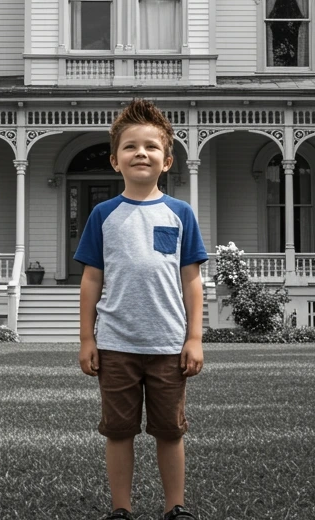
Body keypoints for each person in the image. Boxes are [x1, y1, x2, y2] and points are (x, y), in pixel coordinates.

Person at [75, 98, 208, 520]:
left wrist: (194, 338)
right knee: (119, 432)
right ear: (115, 160)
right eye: (131, 147)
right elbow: (91, 280)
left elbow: (191, 281)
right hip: (116, 345)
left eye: (151, 147)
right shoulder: (103, 215)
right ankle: (121, 510)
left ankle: (175, 508)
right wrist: (86, 339)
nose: (141, 153)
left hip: (169, 344)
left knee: (170, 431)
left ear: (167, 160)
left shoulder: (180, 213)